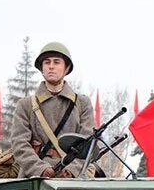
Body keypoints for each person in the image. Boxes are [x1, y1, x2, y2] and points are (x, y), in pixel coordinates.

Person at [10, 42, 94, 179]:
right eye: (47, 62)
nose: (51, 66)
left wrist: (72, 171)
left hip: (75, 176)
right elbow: (19, 144)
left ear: (66, 68)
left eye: (57, 62)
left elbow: (89, 144)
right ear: (42, 69)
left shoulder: (82, 104)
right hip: (35, 177)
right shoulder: (26, 105)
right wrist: (41, 169)